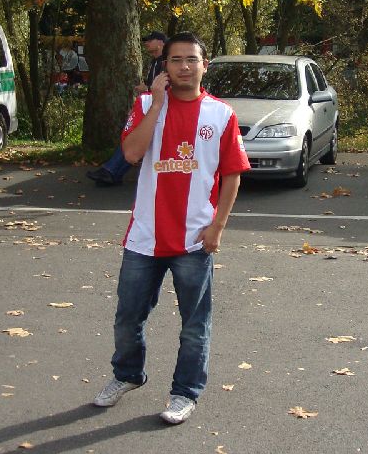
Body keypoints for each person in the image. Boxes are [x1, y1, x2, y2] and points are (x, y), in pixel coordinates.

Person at [91, 31, 250, 425]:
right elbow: (130, 154)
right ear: (165, 66)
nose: (183, 67)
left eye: (191, 59)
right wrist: (158, 104)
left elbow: (232, 175)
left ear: (204, 65)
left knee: (195, 324)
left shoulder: (221, 114)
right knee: (128, 318)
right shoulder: (146, 104)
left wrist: (218, 227)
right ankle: (127, 375)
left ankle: (185, 392)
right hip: (144, 236)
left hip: (194, 240)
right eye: (176, 60)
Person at [87, 31, 167, 185]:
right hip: (150, 108)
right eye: (146, 41)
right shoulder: (154, 62)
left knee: (135, 139)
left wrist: (148, 88)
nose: (146, 43)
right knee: (134, 139)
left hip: (161, 111)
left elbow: (165, 87)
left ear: (161, 42)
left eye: (150, 40)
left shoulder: (168, 61)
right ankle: (112, 173)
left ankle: (111, 171)